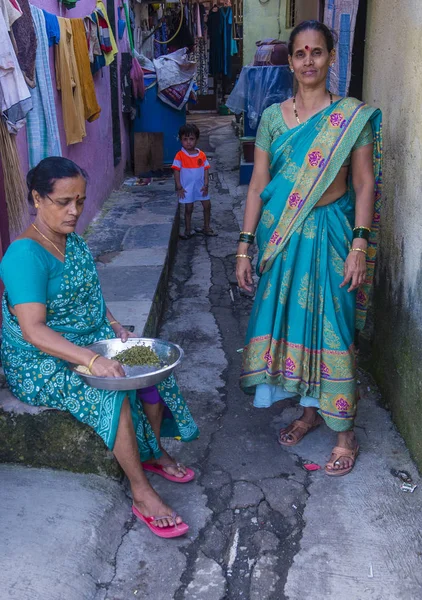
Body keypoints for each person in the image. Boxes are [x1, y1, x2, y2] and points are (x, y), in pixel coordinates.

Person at [0, 157, 200, 538]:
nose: (75, 211)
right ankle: (141, 493)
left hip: (89, 342)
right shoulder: (24, 256)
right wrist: (93, 360)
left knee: (151, 367)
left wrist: (112, 324)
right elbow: (33, 331)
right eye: (63, 202)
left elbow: (86, 292)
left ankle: (154, 452)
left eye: (80, 200)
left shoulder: (71, 242)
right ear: (37, 199)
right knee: (112, 396)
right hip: (40, 361)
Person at [236, 20, 382, 477]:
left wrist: (359, 244)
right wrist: (244, 246)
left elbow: (363, 183)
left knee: (333, 325)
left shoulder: (349, 117)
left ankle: (345, 433)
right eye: (300, 53)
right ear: (290, 60)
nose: (308, 61)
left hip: (335, 234)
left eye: (317, 52)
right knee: (295, 323)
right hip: (283, 237)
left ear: (331, 57)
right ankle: (309, 411)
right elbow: (259, 182)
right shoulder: (274, 118)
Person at [172, 123, 217, 239]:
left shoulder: (201, 155)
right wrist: (179, 186)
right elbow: (176, 171)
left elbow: (206, 169)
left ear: (196, 139)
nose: (188, 142)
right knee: (188, 208)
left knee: (207, 206)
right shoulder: (180, 156)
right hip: (187, 188)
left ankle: (206, 227)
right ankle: (188, 230)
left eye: (191, 139)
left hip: (201, 187)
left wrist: (206, 184)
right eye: (185, 139)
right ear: (180, 140)